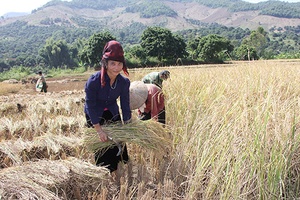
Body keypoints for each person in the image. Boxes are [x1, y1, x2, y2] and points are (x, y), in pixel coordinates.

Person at [84, 40, 131, 173]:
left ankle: (117, 171)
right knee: (103, 146)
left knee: (118, 144)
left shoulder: (123, 82)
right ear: (105, 63)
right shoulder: (93, 82)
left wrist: (128, 124)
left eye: (119, 64)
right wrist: (98, 129)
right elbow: (90, 105)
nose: (116, 67)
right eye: (113, 64)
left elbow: (125, 104)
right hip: (95, 114)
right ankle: (105, 173)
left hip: (112, 112)